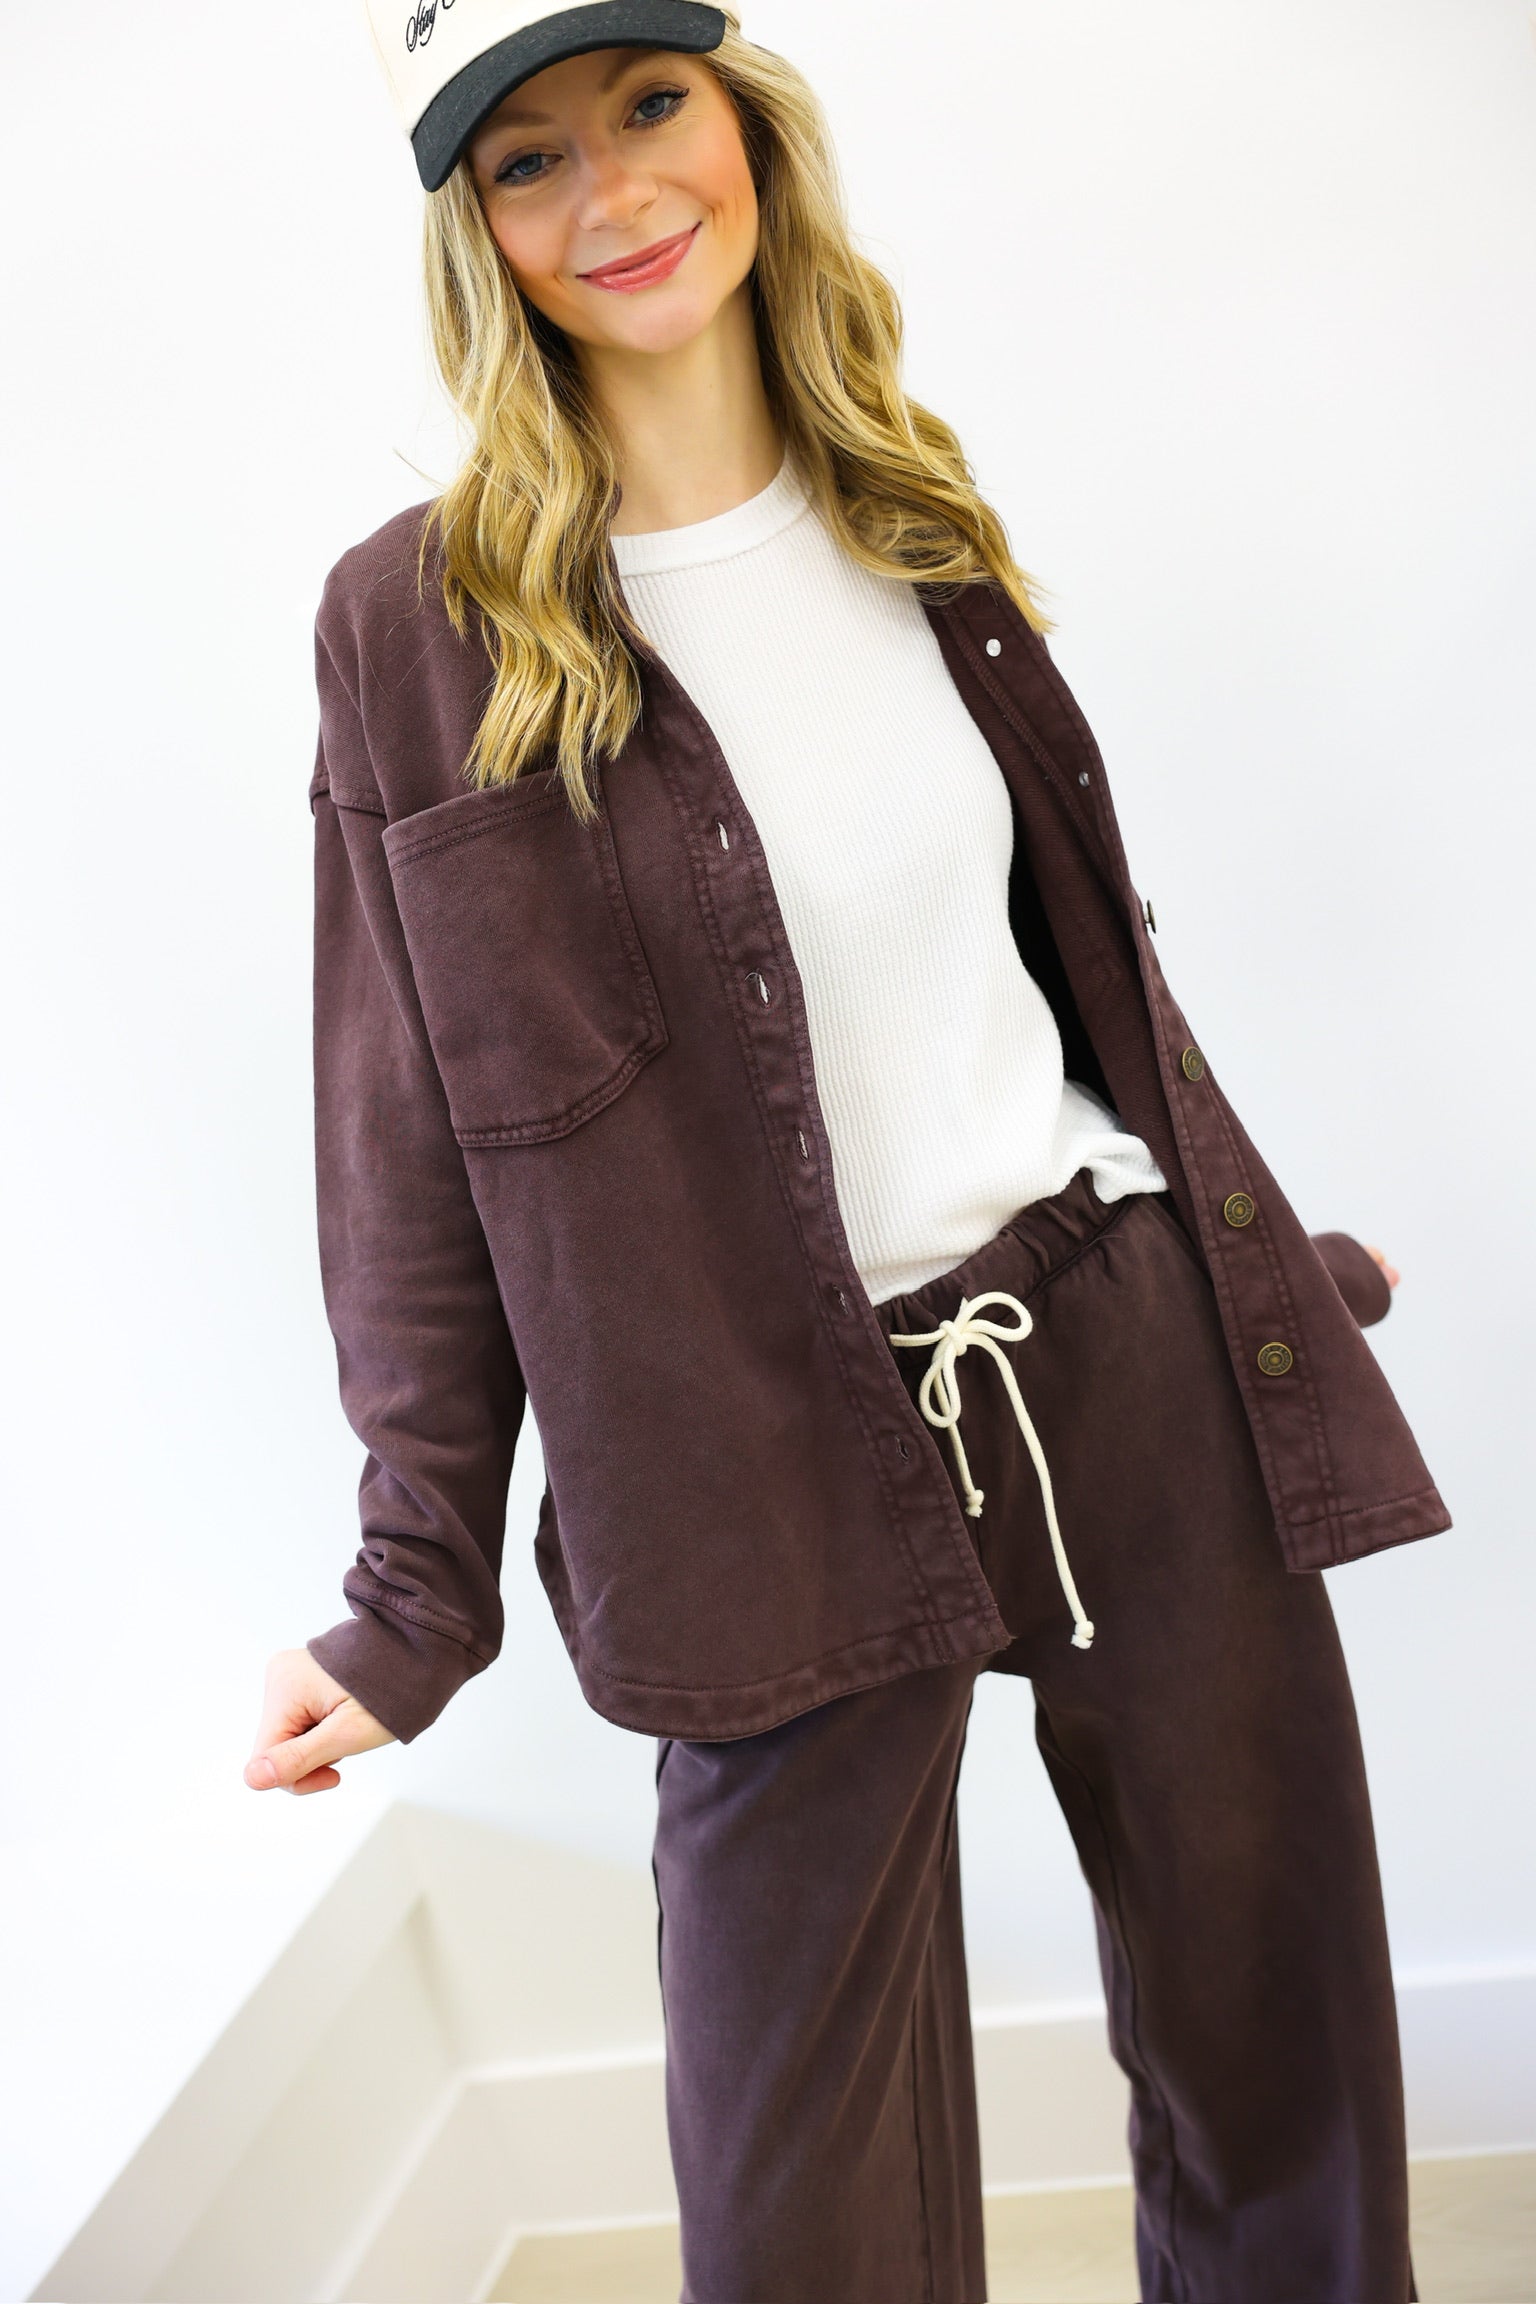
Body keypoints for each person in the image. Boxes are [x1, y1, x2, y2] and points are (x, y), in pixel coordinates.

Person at [244, 5, 1447, 2297]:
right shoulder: (413, 626)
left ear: (746, 126)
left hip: (1127, 1356)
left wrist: (1249, 1265)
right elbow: (406, 1144)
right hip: (753, 1462)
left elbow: (1070, 968)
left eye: (649, 106)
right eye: (523, 160)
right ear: (470, 228)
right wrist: (416, 1593)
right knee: (804, 2213)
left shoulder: (905, 508)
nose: (609, 195)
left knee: (1281, 2064)